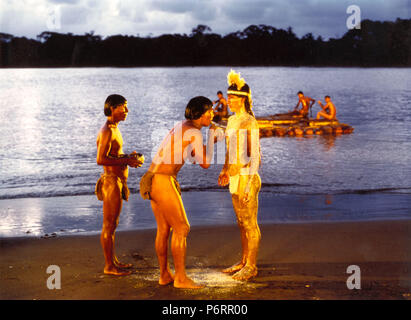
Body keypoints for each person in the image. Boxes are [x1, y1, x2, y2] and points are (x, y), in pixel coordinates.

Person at [139, 96, 223, 289]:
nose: (212, 114)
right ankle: (181, 279)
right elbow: (205, 163)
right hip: (163, 179)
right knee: (182, 228)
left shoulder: (182, 127)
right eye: (209, 111)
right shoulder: (194, 131)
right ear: (199, 114)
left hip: (151, 177)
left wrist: (210, 140)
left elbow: (192, 154)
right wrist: (211, 139)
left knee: (164, 229)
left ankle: (165, 275)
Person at [218, 70, 262, 281]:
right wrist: (225, 169)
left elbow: (255, 157)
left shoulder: (249, 122)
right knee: (241, 222)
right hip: (235, 176)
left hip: (247, 177)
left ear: (242, 99)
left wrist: (248, 184)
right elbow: (230, 148)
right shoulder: (232, 120)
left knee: (250, 223)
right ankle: (244, 261)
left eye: (232, 97)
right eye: (228, 97)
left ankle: (252, 266)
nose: (228, 101)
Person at [96, 94, 144, 276]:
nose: (127, 111)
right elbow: (100, 159)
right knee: (109, 225)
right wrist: (128, 162)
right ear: (113, 108)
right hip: (110, 182)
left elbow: (113, 155)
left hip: (117, 181)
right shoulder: (107, 130)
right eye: (124, 107)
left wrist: (128, 157)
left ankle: (113, 261)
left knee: (113, 224)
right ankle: (109, 266)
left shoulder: (115, 128)